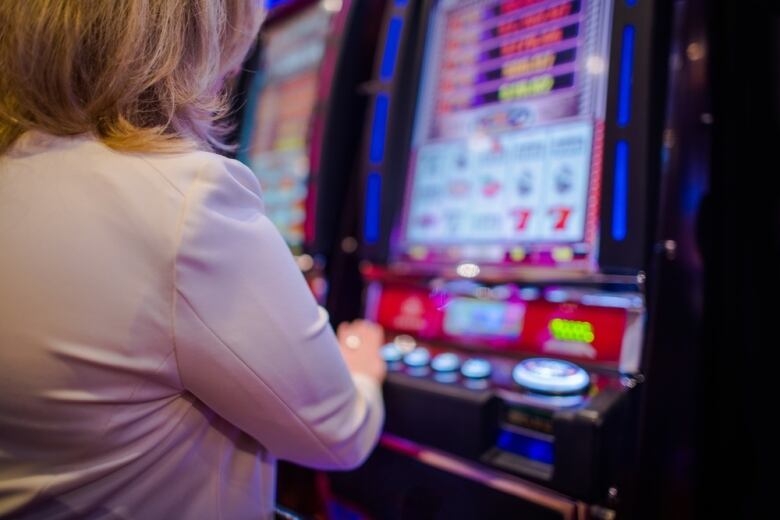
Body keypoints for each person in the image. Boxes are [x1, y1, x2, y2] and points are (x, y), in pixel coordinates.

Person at [0, 1, 386, 518]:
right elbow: (337, 437)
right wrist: (363, 370)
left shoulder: (19, 172)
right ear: (199, 33)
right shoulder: (182, 199)